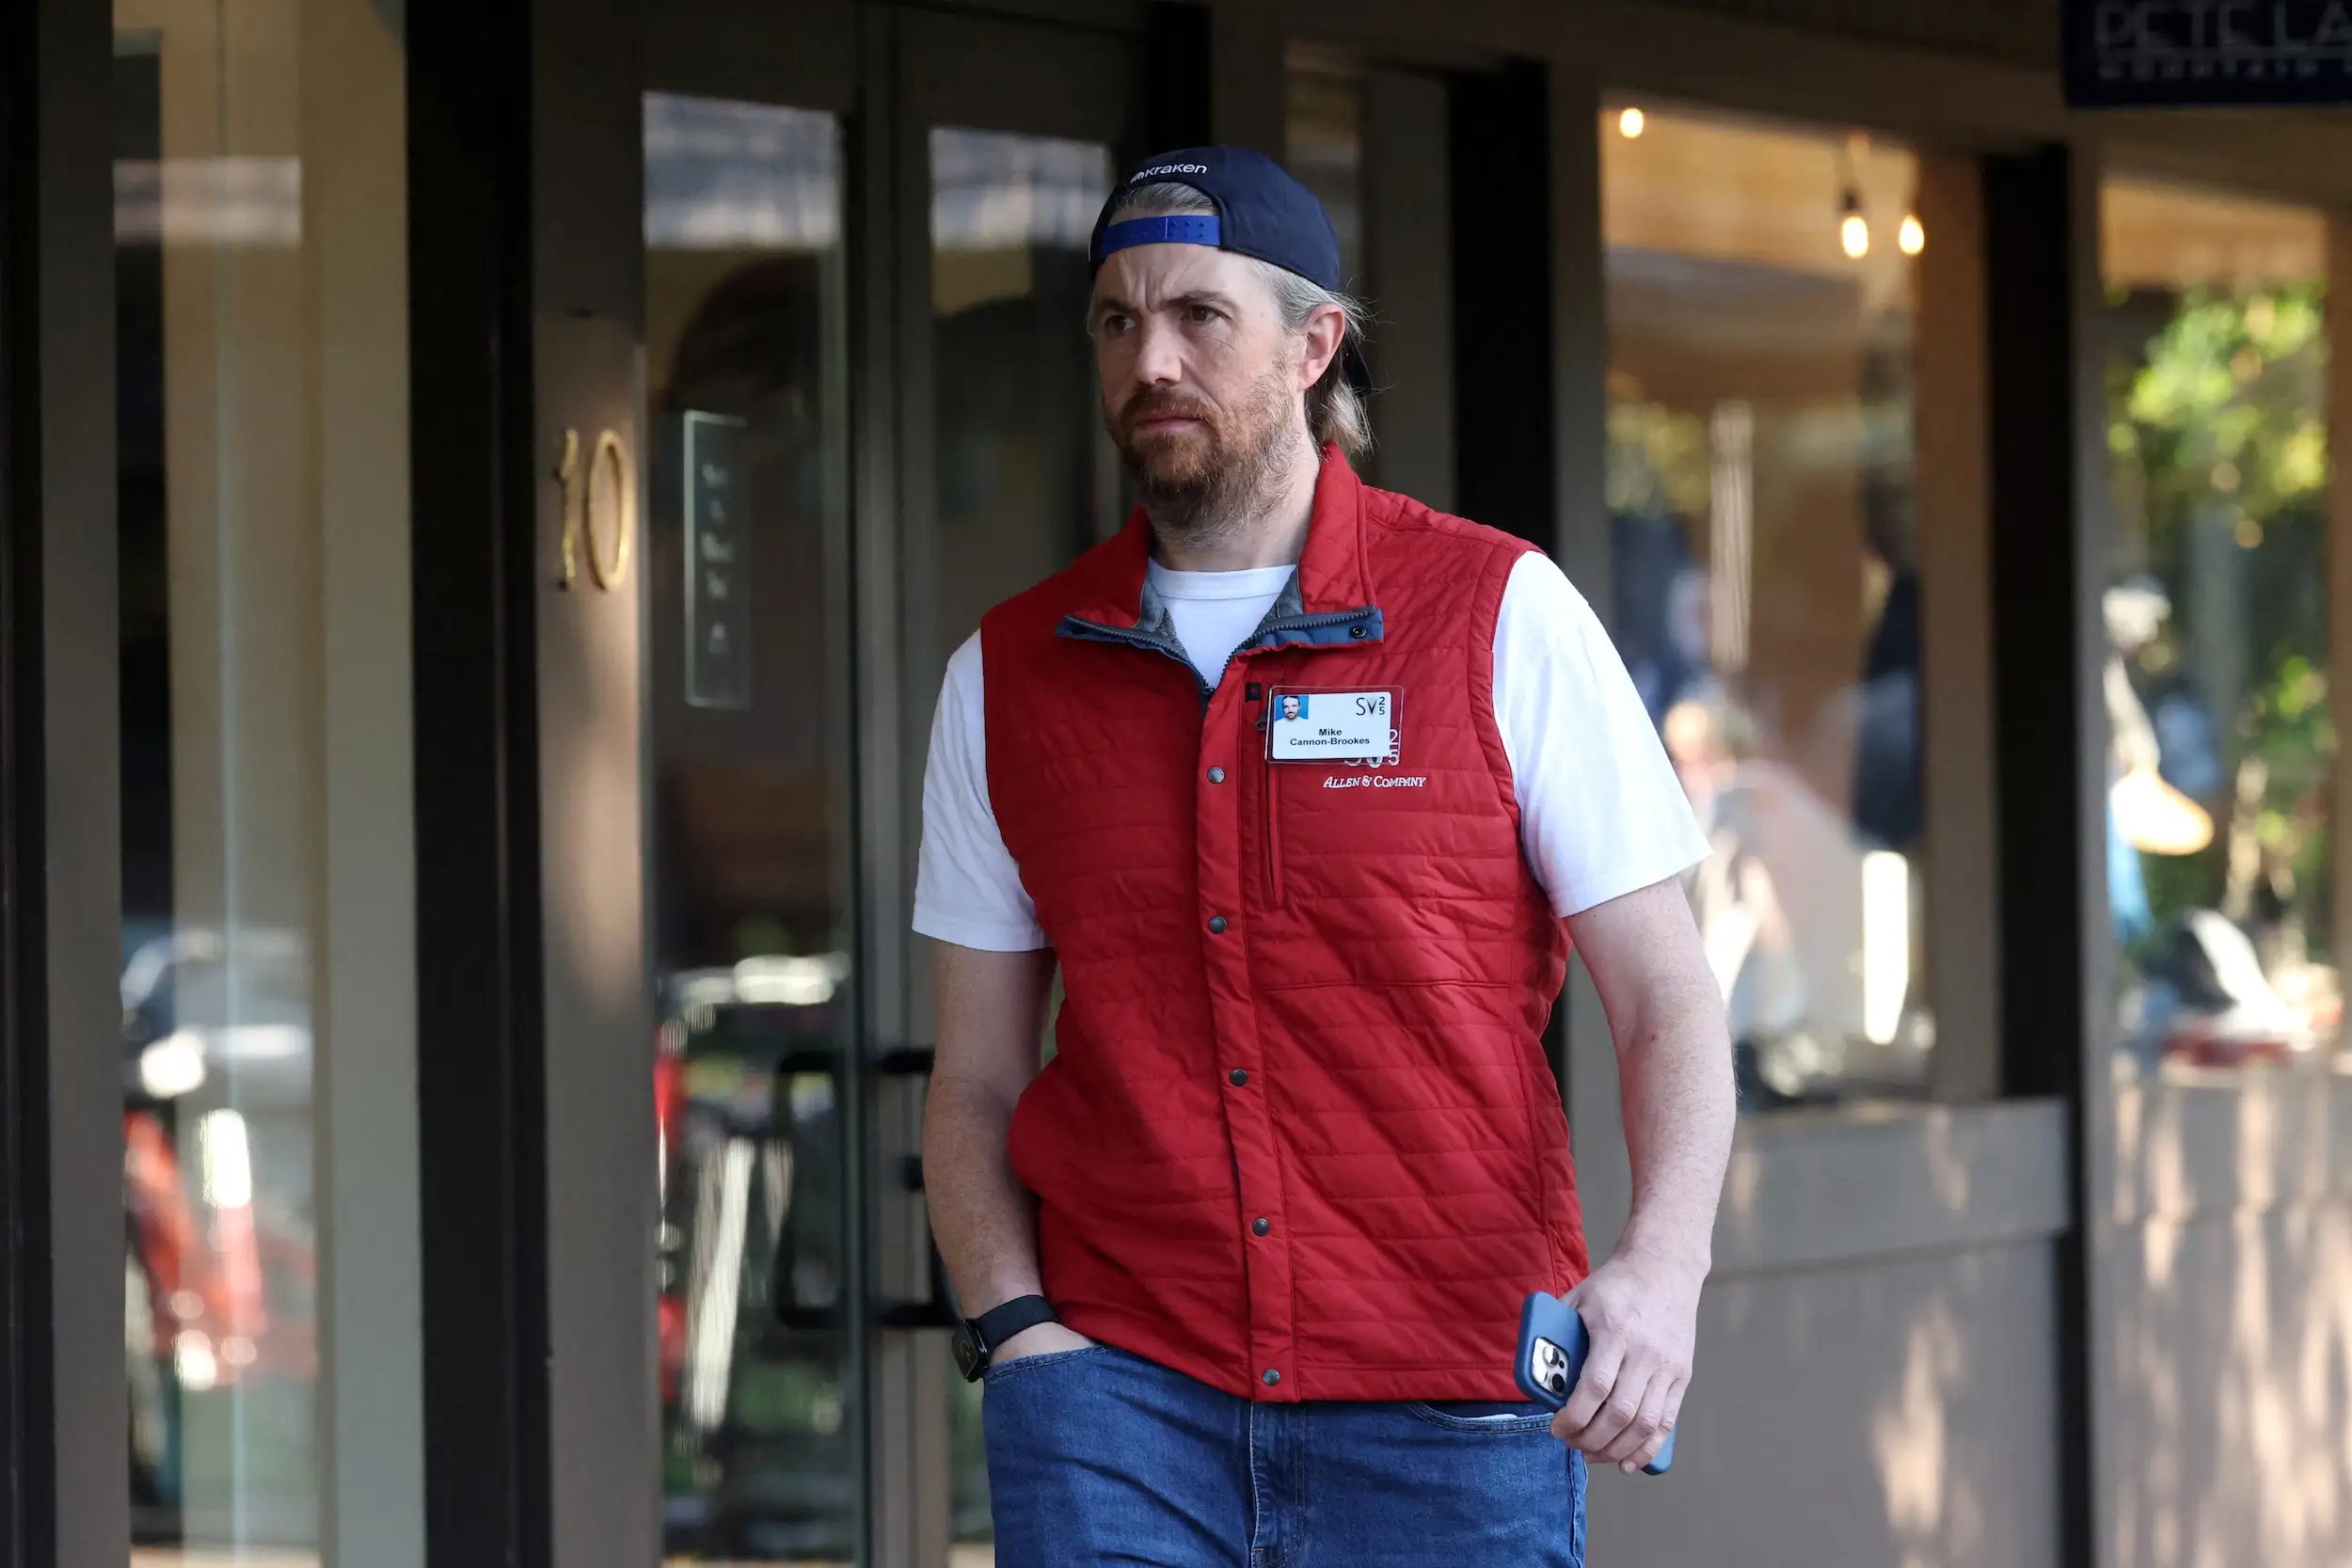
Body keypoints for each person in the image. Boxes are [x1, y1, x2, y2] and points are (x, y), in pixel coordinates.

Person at [915, 145, 1735, 1566]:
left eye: (1196, 317)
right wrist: (1017, 1329)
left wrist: (1664, 1269)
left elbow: (1665, 995)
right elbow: (976, 1072)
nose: (1150, 357)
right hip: (1118, 1408)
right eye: (1117, 321)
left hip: (1451, 1409)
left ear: (1314, 344)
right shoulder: (1006, 678)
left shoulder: (1500, 616)